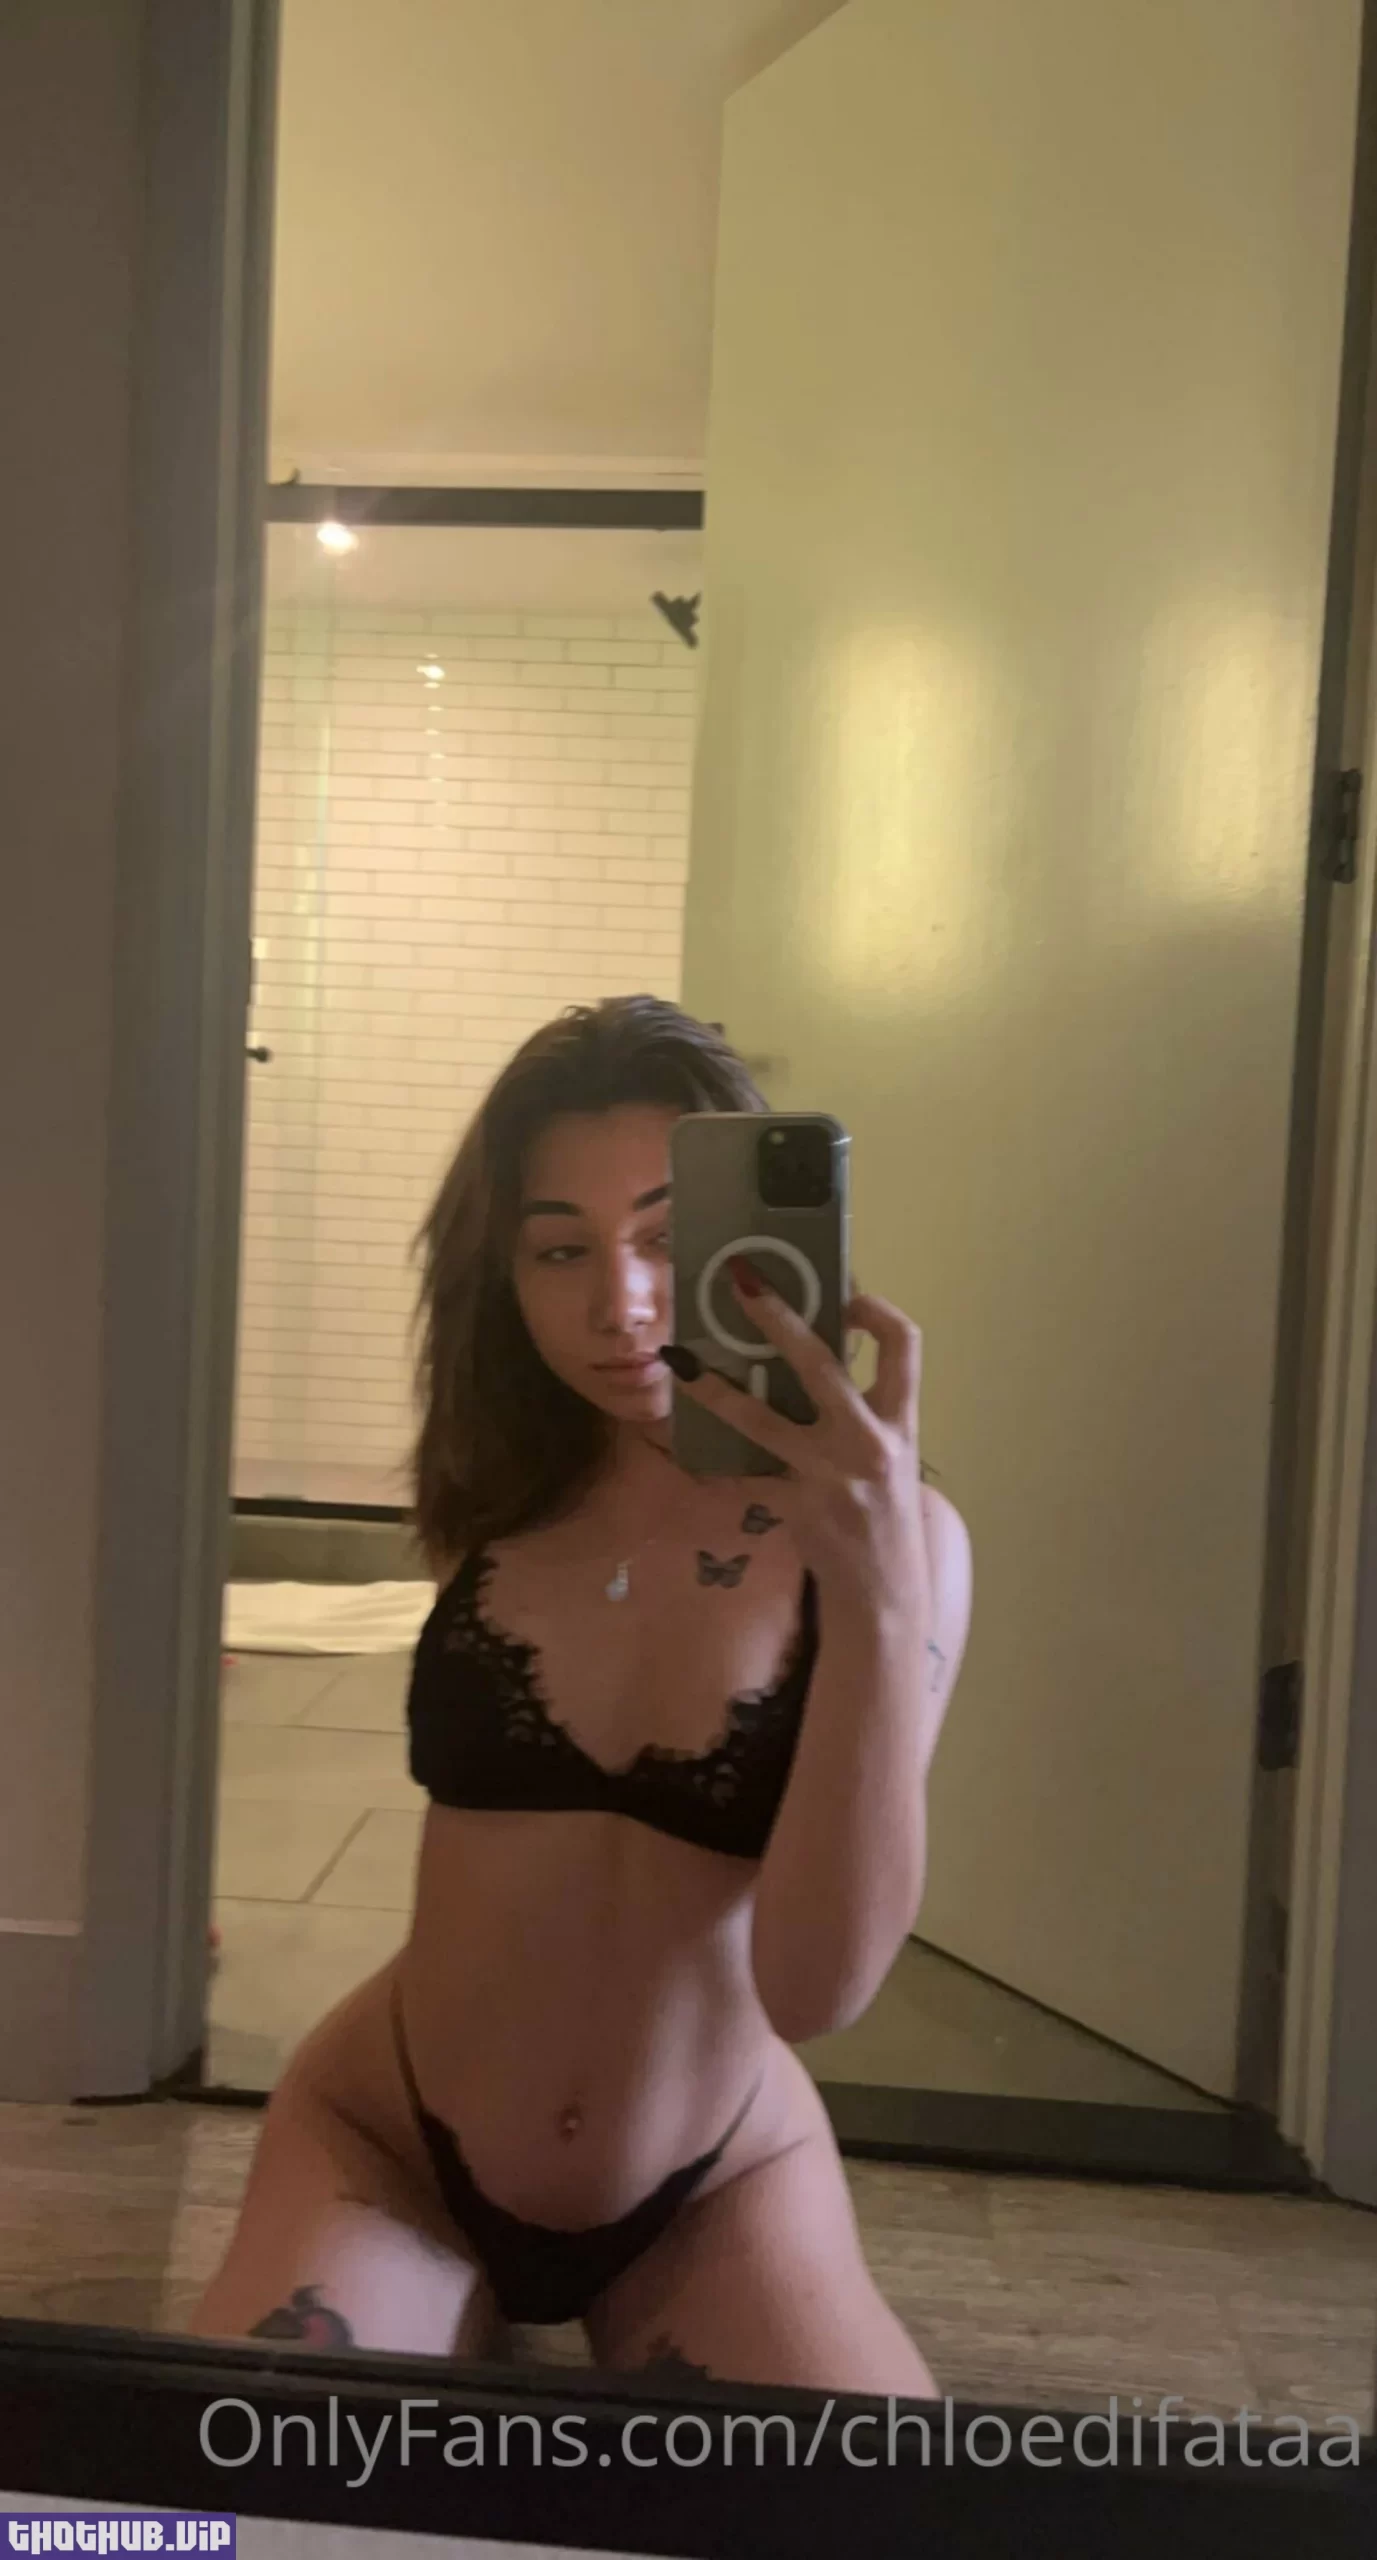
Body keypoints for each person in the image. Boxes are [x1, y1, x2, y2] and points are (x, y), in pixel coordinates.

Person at [188, 996, 972, 2391]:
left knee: (885, 2500)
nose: (620, 1305)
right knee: (209, 2497)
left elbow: (815, 1989)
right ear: (503, 1272)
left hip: (713, 2177)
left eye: (667, 1239)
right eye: (561, 1249)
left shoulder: (897, 1545)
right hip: (391, 2144)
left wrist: (878, 1594)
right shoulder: (498, 1496)